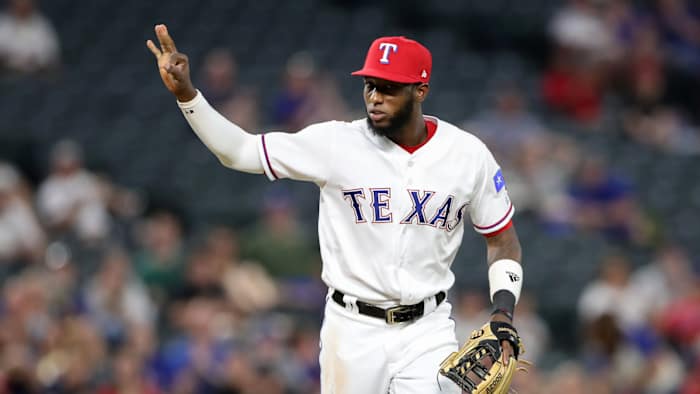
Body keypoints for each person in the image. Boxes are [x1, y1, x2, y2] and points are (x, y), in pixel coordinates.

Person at [147, 25, 524, 394]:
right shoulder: (335, 143)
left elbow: (502, 239)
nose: (375, 97)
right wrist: (188, 96)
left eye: (389, 88)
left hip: (428, 328)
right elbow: (239, 151)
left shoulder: (467, 154)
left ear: (420, 90)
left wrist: (502, 311)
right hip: (352, 329)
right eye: (370, 85)